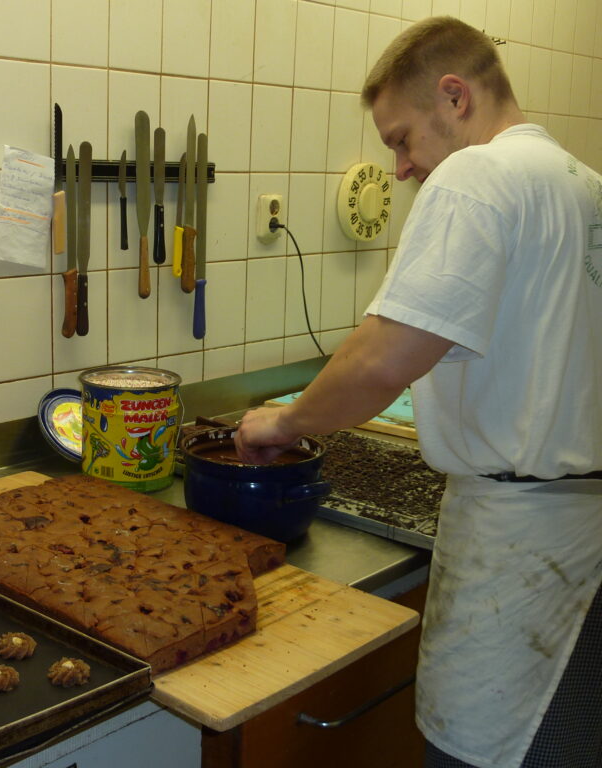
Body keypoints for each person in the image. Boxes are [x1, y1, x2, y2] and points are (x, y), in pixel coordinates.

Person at [234, 16, 602, 768]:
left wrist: (285, 422)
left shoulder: (478, 177)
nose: (401, 169)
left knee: (487, 753)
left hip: (518, 550)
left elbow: (382, 361)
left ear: (455, 96)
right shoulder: (584, 186)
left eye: (401, 140)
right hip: (581, 534)